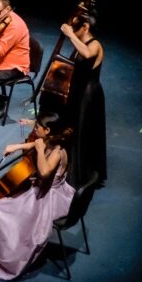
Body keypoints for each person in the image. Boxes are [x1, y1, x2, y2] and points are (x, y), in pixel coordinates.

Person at [0, 116, 75, 280]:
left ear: (48, 130)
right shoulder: (50, 141)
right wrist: (16, 146)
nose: (35, 129)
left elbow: (44, 172)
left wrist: (38, 151)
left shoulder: (58, 152)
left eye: (37, 127)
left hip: (46, 200)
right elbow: (36, 144)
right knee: (1, 206)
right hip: (39, 191)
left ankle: (3, 255)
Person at [60, 13, 105, 187]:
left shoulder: (95, 45)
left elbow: (86, 54)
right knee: (74, 128)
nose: (73, 31)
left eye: (75, 28)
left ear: (85, 27)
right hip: (79, 91)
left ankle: (82, 175)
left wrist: (70, 34)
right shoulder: (81, 43)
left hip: (89, 94)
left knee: (83, 131)